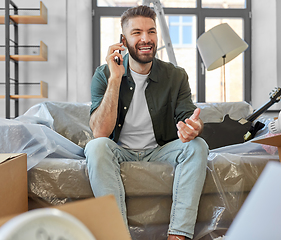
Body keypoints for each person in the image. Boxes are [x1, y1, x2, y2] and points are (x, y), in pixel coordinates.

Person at [85, 5, 209, 240]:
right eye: (137, 33)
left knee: (198, 146)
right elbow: (100, 132)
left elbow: (189, 117)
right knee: (95, 147)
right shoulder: (104, 74)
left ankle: (178, 235)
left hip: (160, 150)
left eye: (151, 32)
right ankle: (117, 235)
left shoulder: (176, 75)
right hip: (119, 151)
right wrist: (115, 78)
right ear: (123, 40)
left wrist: (193, 128)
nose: (146, 39)